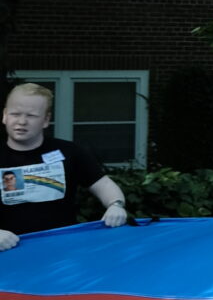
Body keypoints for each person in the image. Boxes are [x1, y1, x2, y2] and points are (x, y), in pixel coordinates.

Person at [0, 81, 129, 249]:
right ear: (4, 115)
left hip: (63, 252)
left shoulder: (70, 152)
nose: (22, 121)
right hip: (8, 253)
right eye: (15, 114)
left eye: (31, 115)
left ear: (46, 120)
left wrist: (116, 205)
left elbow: (103, 184)